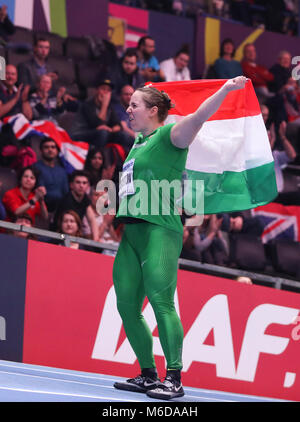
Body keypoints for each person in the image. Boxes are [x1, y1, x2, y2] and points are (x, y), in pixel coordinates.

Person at [112, 75, 248, 400]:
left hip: (160, 231)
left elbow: (200, 117)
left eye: (134, 105)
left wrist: (225, 90)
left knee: (161, 303)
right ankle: (148, 374)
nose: (128, 109)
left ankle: (174, 377)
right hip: (131, 233)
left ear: (154, 110)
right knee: (127, 306)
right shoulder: (139, 141)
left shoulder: (171, 136)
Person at [70, 79, 133, 151]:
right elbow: (97, 125)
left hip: (100, 133)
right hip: (80, 133)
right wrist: (104, 105)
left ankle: (133, 160)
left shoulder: (109, 107)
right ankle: (96, 157)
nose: (105, 93)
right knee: (103, 133)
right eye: (103, 89)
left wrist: (111, 129)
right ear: (96, 91)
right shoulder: (87, 105)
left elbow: (119, 125)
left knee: (123, 136)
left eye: (108, 90)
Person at [53, 169, 99, 241]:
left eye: (84, 183)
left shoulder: (85, 199)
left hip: (73, 236)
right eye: (78, 182)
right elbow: (65, 226)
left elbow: (92, 220)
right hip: (58, 236)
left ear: (88, 186)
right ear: (71, 185)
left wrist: (96, 239)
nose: (81, 185)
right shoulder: (66, 200)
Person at [33, 137, 69, 213]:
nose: (50, 150)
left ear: (57, 151)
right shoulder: (35, 168)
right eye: (46, 147)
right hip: (40, 208)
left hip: (60, 210)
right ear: (41, 151)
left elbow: (66, 193)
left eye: (53, 147)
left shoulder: (62, 171)